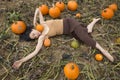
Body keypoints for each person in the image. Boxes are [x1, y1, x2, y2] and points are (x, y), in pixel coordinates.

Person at [12, 8, 114, 69]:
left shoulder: (41, 23)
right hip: (68, 31)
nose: (36, 35)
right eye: (34, 38)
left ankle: (102, 50)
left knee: (84, 37)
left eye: (33, 34)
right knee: (85, 34)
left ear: (32, 29)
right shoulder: (42, 37)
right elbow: (35, 52)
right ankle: (93, 21)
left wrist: (34, 20)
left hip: (69, 22)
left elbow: (38, 9)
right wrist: (22, 60)